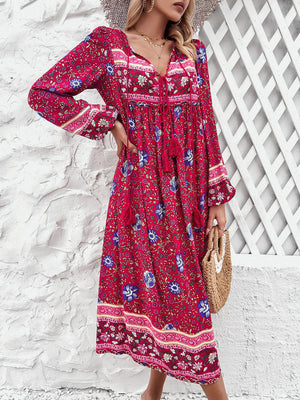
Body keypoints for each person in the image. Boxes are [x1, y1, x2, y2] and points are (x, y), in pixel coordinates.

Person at [27, 0, 236, 399]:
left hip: (190, 197)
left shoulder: (193, 52)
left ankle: (151, 394)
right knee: (187, 306)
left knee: (178, 298)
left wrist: (216, 195)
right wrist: (107, 121)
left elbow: (206, 124)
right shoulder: (108, 46)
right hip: (141, 196)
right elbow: (44, 94)